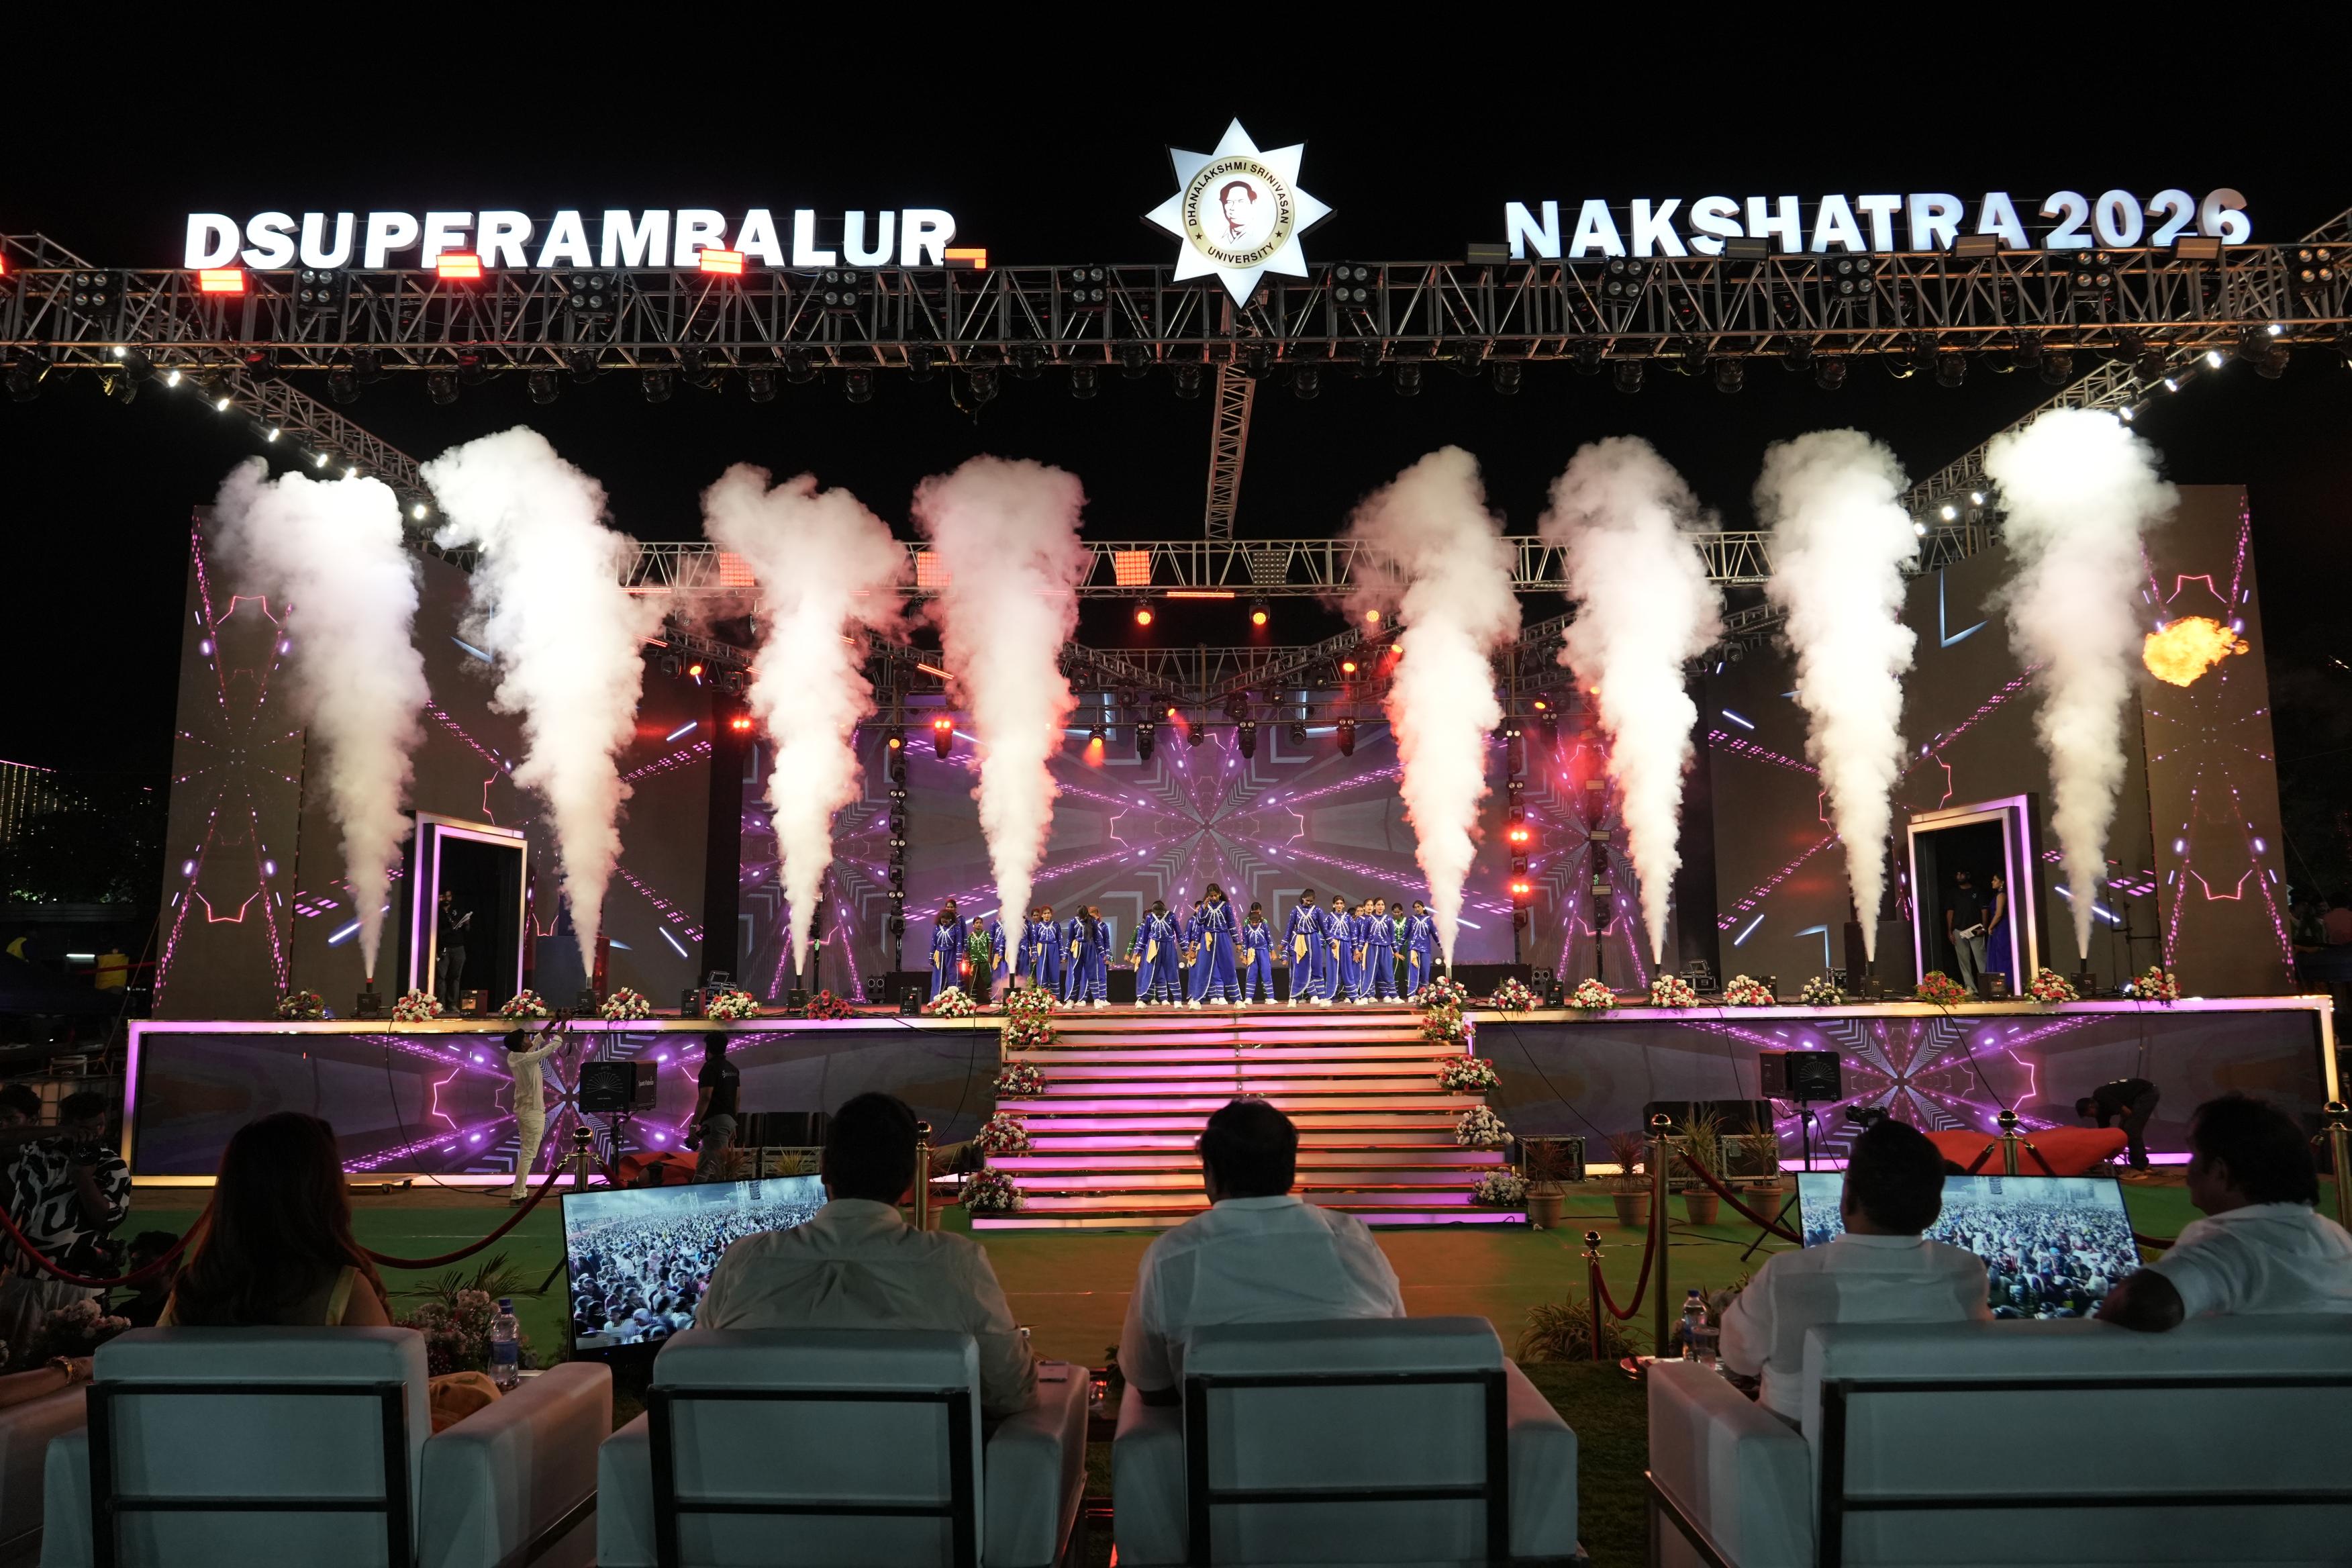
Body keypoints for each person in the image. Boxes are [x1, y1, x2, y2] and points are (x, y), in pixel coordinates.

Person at [697, 1091, 1036, 1420]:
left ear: (824, 1169)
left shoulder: (744, 1261)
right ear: (912, 1178)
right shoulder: (956, 1264)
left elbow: (693, 1375)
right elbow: (1011, 1392)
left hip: (757, 1458)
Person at [1120, 1099, 1404, 1402]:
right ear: (1290, 1168)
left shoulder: (1171, 1256)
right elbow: (1397, 1345)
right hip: (1360, 1424)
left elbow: (1152, 1386)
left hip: (1225, 1432)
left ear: (1210, 1173)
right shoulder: (1354, 1240)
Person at [1719, 1117, 1990, 1427]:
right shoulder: (1965, 1274)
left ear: (1849, 1195)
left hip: (1793, 1451)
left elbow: (1737, 1358)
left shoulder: (1787, 1278)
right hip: (1928, 1444)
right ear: (1934, 1207)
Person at [2096, 1094, 2352, 1331]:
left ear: (2220, 1171)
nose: (2188, 1172)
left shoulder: (2226, 1247)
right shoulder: (2338, 1238)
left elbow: (2142, 1303)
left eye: (2194, 1155)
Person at [161, 1113, 394, 1328]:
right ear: (321, 1194)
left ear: (231, 1193)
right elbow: (389, 1359)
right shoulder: (346, 1291)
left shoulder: (191, 1290)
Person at [0, 1091, 130, 1358]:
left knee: (72, 1360)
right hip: (22, 1277)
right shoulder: (35, 1152)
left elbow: (108, 1219)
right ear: (67, 1124)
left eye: (98, 1126)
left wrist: (82, 1178)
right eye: (83, 1129)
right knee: (15, 1358)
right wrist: (59, 1132)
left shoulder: (112, 1165)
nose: (92, 1135)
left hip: (77, 1282)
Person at [503, 1026, 569, 1202]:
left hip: (525, 1111)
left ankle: (519, 1192)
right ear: (521, 1046)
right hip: (533, 1112)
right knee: (528, 1155)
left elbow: (537, 1040)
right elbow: (553, 1046)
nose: (529, 1040)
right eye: (525, 1038)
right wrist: (563, 1024)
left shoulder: (514, 1056)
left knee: (526, 1153)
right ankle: (518, 1195)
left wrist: (552, 1023)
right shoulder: (527, 1059)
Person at [2077, 1077, 2161, 1172]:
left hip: (2147, 1092)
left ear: (2091, 1106)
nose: (2090, 1117)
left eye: (2089, 1114)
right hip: (2134, 1099)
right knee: (2123, 1131)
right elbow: (2103, 1133)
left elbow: (2127, 1112)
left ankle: (2141, 1165)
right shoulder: (2100, 1113)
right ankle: (2137, 1162)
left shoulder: (2100, 1095)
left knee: (2131, 1130)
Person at [689, 1032, 741, 1183]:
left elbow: (705, 1097)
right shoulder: (733, 1069)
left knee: (722, 1171)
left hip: (714, 1125)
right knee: (703, 1169)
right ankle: (694, 1194)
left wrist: (693, 1125)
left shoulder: (709, 1068)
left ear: (708, 1049)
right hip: (727, 1122)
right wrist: (733, 1123)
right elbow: (737, 1098)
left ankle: (731, 1197)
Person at [114, 1230, 181, 1328]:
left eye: (142, 1261)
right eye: (133, 1262)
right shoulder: (122, 1313)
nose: (133, 1268)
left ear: (170, 1266)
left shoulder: (183, 1312)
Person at [1945, 871, 1988, 996]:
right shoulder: (1953, 893)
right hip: (1959, 930)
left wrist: (1984, 927)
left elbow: (1984, 910)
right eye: (1957, 874)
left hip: (1975, 930)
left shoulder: (1977, 891)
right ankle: (1970, 988)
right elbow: (1950, 912)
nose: (1959, 876)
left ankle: (1986, 988)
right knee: (1964, 961)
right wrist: (1950, 931)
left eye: (1962, 874)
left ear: (1968, 875)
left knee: (1981, 960)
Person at [1134, 900, 1183, 1006]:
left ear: (1164, 909)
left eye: (1160, 912)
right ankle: (1144, 1000)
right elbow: (1145, 935)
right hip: (1154, 946)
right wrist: (1139, 950)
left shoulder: (1171, 916)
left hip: (1169, 946)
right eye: (1156, 912)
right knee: (1150, 973)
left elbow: (1179, 933)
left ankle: (1177, 1000)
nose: (1158, 914)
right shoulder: (1150, 917)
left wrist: (1185, 949)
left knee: (1172, 972)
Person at [1198, 885, 1240, 1006]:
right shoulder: (1204, 906)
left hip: (1223, 937)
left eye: (1215, 895)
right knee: (1203, 968)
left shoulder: (1226, 906)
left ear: (1220, 894)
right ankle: (1198, 999)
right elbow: (1199, 922)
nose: (1214, 898)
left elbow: (1232, 924)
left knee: (1228, 966)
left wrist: (1237, 942)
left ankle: (1237, 999)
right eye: (1211, 896)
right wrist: (1203, 908)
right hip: (1208, 938)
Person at [1284, 890, 1324, 1007]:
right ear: (1303, 898)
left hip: (1314, 939)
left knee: (1317, 967)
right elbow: (1289, 929)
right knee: (1301, 969)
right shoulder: (1295, 911)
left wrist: (1331, 942)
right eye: (1307, 901)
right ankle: (1295, 997)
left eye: (1311, 901)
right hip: (1301, 941)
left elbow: (1323, 928)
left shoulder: (1318, 910)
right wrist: (1284, 943)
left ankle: (1321, 997)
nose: (1309, 903)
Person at [435, 889, 473, 1011]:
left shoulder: (457, 910)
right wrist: (451, 929)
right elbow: (438, 932)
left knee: (455, 977)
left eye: (448, 896)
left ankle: (452, 1005)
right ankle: (440, 1005)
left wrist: (467, 923)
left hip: (458, 948)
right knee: (441, 977)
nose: (446, 899)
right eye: (443, 896)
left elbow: (467, 931)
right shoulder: (436, 912)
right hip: (443, 948)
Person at [928, 900, 967, 1000]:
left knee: (953, 975)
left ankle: (956, 1000)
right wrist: (931, 957)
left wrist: (960, 955)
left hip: (952, 953)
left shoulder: (957, 925)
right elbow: (934, 942)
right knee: (938, 977)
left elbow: (960, 941)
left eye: (952, 907)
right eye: (948, 907)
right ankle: (935, 1000)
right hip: (939, 955)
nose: (950, 909)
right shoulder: (937, 927)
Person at [1981, 873, 2013, 995]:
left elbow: (1999, 914)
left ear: (2002, 882)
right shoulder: (1999, 895)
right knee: (1997, 956)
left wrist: (1990, 926)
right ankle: (1997, 987)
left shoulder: (2001, 895)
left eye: (1995, 880)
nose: (1992, 882)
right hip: (1999, 928)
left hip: (2001, 929)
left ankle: (2006, 986)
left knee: (2002, 957)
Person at [1239, 903, 1276, 1004]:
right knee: (1251, 974)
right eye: (1253, 922)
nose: (1254, 924)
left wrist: (1272, 952)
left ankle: (1270, 997)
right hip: (1252, 952)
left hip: (1263, 951)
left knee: (1266, 973)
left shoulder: (1264, 924)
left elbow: (1269, 939)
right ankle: (1249, 998)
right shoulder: (1247, 926)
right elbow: (1245, 942)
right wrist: (1244, 955)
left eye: (1256, 922)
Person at [1362, 897, 1397, 1002]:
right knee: (1370, 972)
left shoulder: (1389, 919)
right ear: (1374, 907)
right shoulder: (1369, 919)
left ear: (1384, 907)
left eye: (1382, 905)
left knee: (1388, 971)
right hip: (1372, 947)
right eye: (1378, 905)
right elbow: (1363, 936)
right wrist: (1359, 949)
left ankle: (1394, 996)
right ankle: (1365, 996)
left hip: (1385, 948)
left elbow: (1392, 936)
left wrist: (1395, 950)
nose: (1380, 907)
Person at [1404, 899, 1437, 996]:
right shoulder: (1411, 919)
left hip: (1426, 949)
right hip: (1413, 949)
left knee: (1425, 972)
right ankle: (1411, 994)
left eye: (1419, 907)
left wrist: (1442, 947)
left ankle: (1424, 994)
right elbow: (1405, 935)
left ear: (1423, 907)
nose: (1417, 909)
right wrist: (1396, 949)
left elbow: (1435, 935)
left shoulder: (1429, 920)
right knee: (1413, 972)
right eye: (1415, 907)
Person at [1326, 895, 1357, 1003]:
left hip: (1345, 944)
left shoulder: (1348, 917)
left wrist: (1356, 949)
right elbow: (1325, 933)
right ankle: (1330, 996)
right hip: (1333, 946)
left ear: (1344, 905)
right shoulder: (1329, 917)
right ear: (1333, 905)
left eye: (1341, 903)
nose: (1339, 905)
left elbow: (1353, 933)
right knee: (1332, 970)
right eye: (1337, 903)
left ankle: (1353, 996)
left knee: (1347, 970)